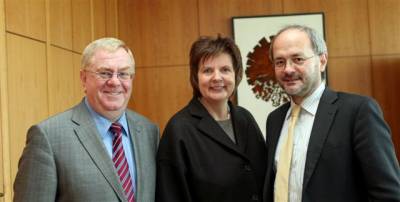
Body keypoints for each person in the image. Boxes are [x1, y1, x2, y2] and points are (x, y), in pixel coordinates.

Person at [263, 25, 400, 202]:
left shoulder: (358, 112)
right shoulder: (274, 120)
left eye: (298, 59)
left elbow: (388, 194)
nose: (288, 69)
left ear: (322, 61)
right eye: (280, 62)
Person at [14, 37, 160, 202]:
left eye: (123, 73)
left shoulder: (149, 131)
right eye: (104, 73)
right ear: (84, 79)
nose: (114, 81)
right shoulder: (48, 138)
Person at [155, 35, 267, 202]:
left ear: (235, 75)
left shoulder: (245, 118)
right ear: (196, 77)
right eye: (207, 70)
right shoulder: (179, 129)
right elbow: (170, 195)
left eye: (225, 69)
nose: (217, 77)